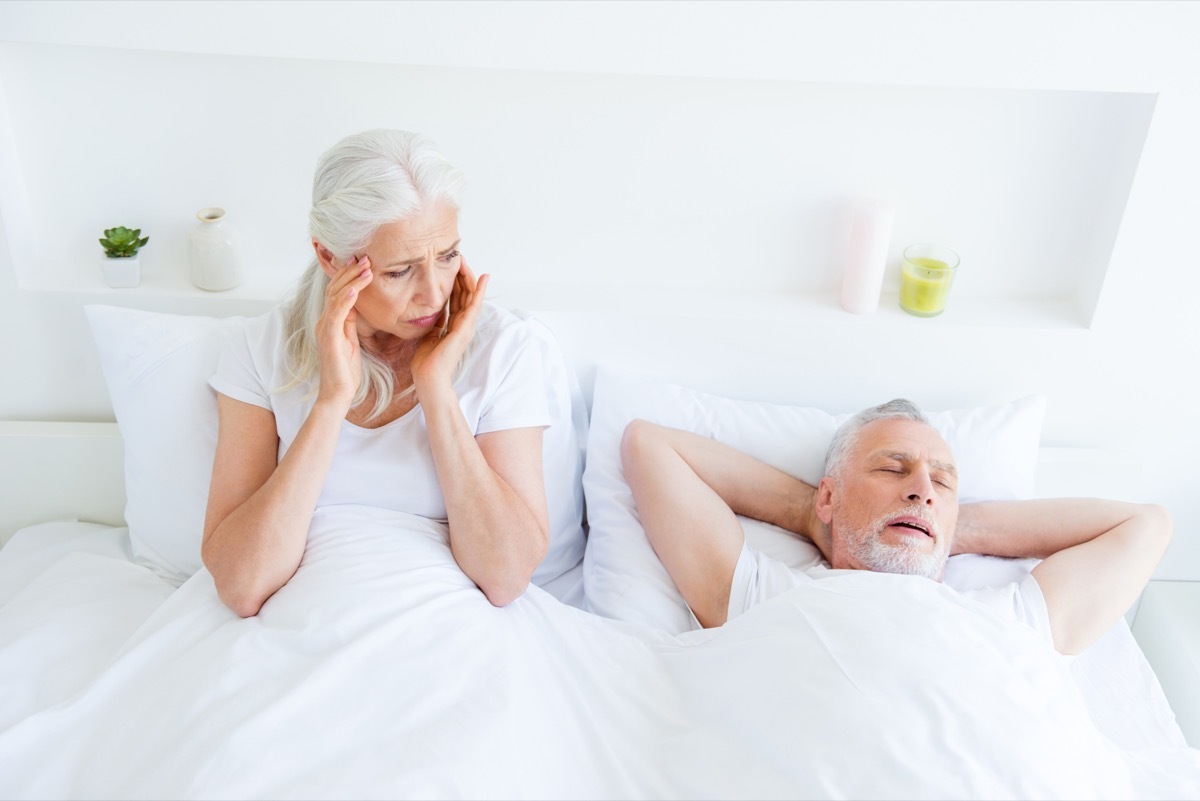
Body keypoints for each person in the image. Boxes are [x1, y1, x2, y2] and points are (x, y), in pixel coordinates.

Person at [202, 129, 554, 617]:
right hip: (303, 629)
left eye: (448, 256)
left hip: (452, 629)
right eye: (399, 271)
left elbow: (506, 576)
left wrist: (436, 390)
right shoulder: (259, 348)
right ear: (329, 256)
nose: (433, 294)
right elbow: (242, 585)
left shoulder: (506, 348)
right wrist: (330, 402)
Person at [620, 398, 1172, 655]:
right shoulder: (762, 594)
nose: (923, 489)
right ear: (831, 493)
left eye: (943, 483)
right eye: (893, 468)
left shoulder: (1009, 619)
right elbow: (651, 444)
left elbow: (1146, 523)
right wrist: (817, 515)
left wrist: (948, 526)